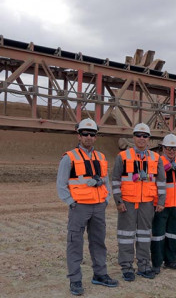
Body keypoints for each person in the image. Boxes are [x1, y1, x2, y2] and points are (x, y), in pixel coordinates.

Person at [57, 118, 118, 296]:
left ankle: (100, 274)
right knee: (75, 243)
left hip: (99, 206)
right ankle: (75, 280)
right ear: (79, 135)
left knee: (98, 242)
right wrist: (71, 202)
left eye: (92, 134)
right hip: (79, 207)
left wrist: (105, 199)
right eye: (85, 134)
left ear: (96, 137)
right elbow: (61, 184)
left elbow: (105, 180)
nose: (89, 137)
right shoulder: (69, 158)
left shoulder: (100, 157)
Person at [112, 123, 166, 281]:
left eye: (145, 136)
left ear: (149, 139)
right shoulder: (122, 156)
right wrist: (118, 201)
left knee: (144, 235)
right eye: (138, 135)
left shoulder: (156, 158)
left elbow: (161, 182)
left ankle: (144, 265)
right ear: (133, 137)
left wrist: (160, 201)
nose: (141, 139)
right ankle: (127, 267)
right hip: (127, 203)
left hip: (147, 203)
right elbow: (115, 180)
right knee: (126, 236)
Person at [150, 134, 176, 274]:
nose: (172, 151)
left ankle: (170, 260)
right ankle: (156, 263)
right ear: (163, 148)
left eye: (174, 149)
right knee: (158, 235)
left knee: (173, 234)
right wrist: (168, 166)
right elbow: (153, 180)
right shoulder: (158, 162)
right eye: (169, 148)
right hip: (161, 205)